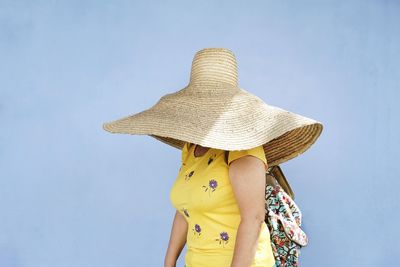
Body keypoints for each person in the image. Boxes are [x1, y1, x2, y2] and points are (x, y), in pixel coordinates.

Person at [102, 47, 323, 267]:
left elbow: (253, 219)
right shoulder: (190, 150)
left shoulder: (243, 149)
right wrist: (169, 262)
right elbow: (185, 210)